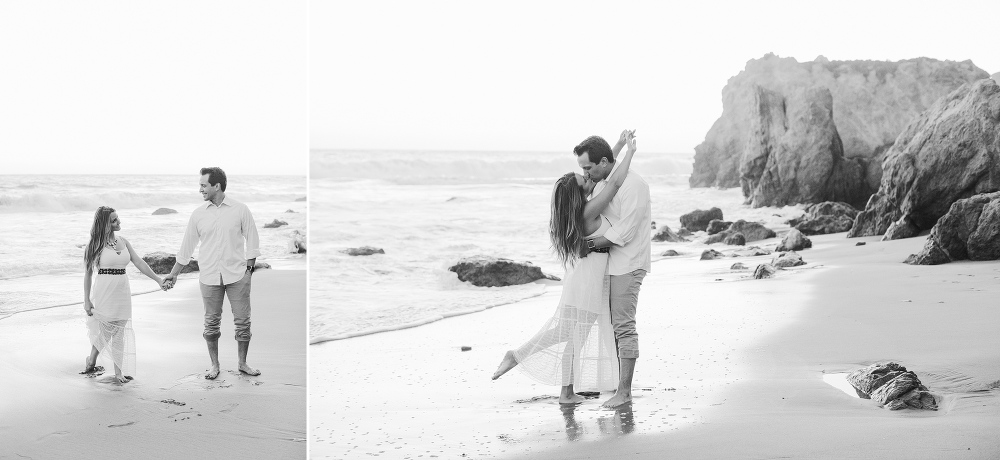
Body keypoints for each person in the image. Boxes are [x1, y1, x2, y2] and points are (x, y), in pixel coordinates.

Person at [492, 130, 637, 404]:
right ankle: (522, 358)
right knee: (572, 336)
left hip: (583, 278)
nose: (589, 176)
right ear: (580, 192)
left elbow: (602, 166)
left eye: (587, 172)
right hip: (588, 281)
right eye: (585, 178)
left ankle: (565, 391)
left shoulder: (577, 211)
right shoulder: (587, 211)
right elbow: (614, 182)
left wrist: (615, 145)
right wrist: (631, 151)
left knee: (571, 335)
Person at [576, 132, 652, 409]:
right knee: (613, 326)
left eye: (587, 167)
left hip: (629, 263)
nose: (584, 173)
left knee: (624, 326)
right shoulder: (604, 180)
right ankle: (619, 385)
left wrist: (589, 244)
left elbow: (627, 231)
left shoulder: (634, 185)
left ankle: (625, 392)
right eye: (583, 167)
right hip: (610, 263)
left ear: (604, 162)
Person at [163, 167, 261, 380]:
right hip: (208, 276)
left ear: (217, 186)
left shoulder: (240, 209)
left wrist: (249, 271)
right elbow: (186, 248)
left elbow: (252, 240)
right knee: (211, 323)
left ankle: (242, 363)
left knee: (243, 322)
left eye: (203, 185)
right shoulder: (198, 214)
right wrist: (174, 274)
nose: (200, 189)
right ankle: (214, 366)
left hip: (237, 275)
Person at [81, 206, 170, 384]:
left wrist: (158, 280)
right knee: (107, 330)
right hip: (105, 289)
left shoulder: (124, 241)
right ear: (105, 224)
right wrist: (86, 300)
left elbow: (139, 262)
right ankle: (91, 359)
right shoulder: (94, 246)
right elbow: (88, 273)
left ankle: (118, 372)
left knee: (119, 331)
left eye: (117, 218)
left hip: (122, 289)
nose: (118, 222)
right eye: (114, 220)